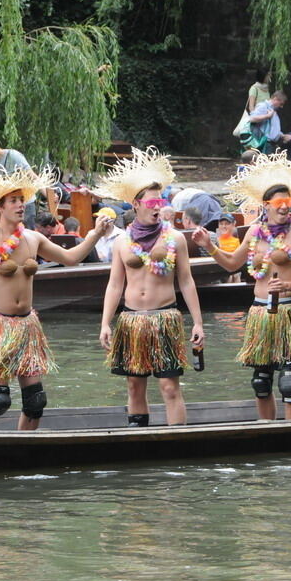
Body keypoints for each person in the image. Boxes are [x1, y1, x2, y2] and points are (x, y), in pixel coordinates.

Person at [0, 167, 113, 431]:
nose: (21, 205)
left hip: (26, 326)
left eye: (22, 200)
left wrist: (95, 235)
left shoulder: (32, 238)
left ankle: (24, 447)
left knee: (35, 401)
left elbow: (70, 258)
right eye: (13, 201)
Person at [194, 153, 291, 420]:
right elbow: (232, 264)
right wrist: (210, 246)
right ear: (266, 205)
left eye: (288, 202)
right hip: (259, 312)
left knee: (289, 382)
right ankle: (266, 429)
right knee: (261, 381)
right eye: (279, 203)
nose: (285, 207)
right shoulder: (253, 232)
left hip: (287, 312)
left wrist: (289, 283)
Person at [97, 147, 205, 427]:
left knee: (169, 386)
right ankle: (136, 440)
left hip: (165, 317)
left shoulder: (175, 239)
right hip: (131, 320)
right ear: (136, 204)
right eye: (151, 202)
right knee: (134, 385)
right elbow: (114, 285)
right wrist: (106, 323)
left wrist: (198, 323)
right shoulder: (122, 241)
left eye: (161, 201)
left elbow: (186, 281)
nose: (158, 206)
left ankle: (176, 442)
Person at [0, 136, 39, 228]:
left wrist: (49, 194)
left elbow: (32, 176)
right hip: (8, 205)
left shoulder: (13, 156)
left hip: (25, 203)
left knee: (27, 233)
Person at [248, 91, 291, 157]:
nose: (281, 106)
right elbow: (252, 119)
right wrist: (267, 116)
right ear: (275, 99)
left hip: (271, 144)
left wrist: (282, 135)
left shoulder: (272, 109)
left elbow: (272, 127)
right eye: (281, 104)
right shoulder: (263, 106)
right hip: (265, 143)